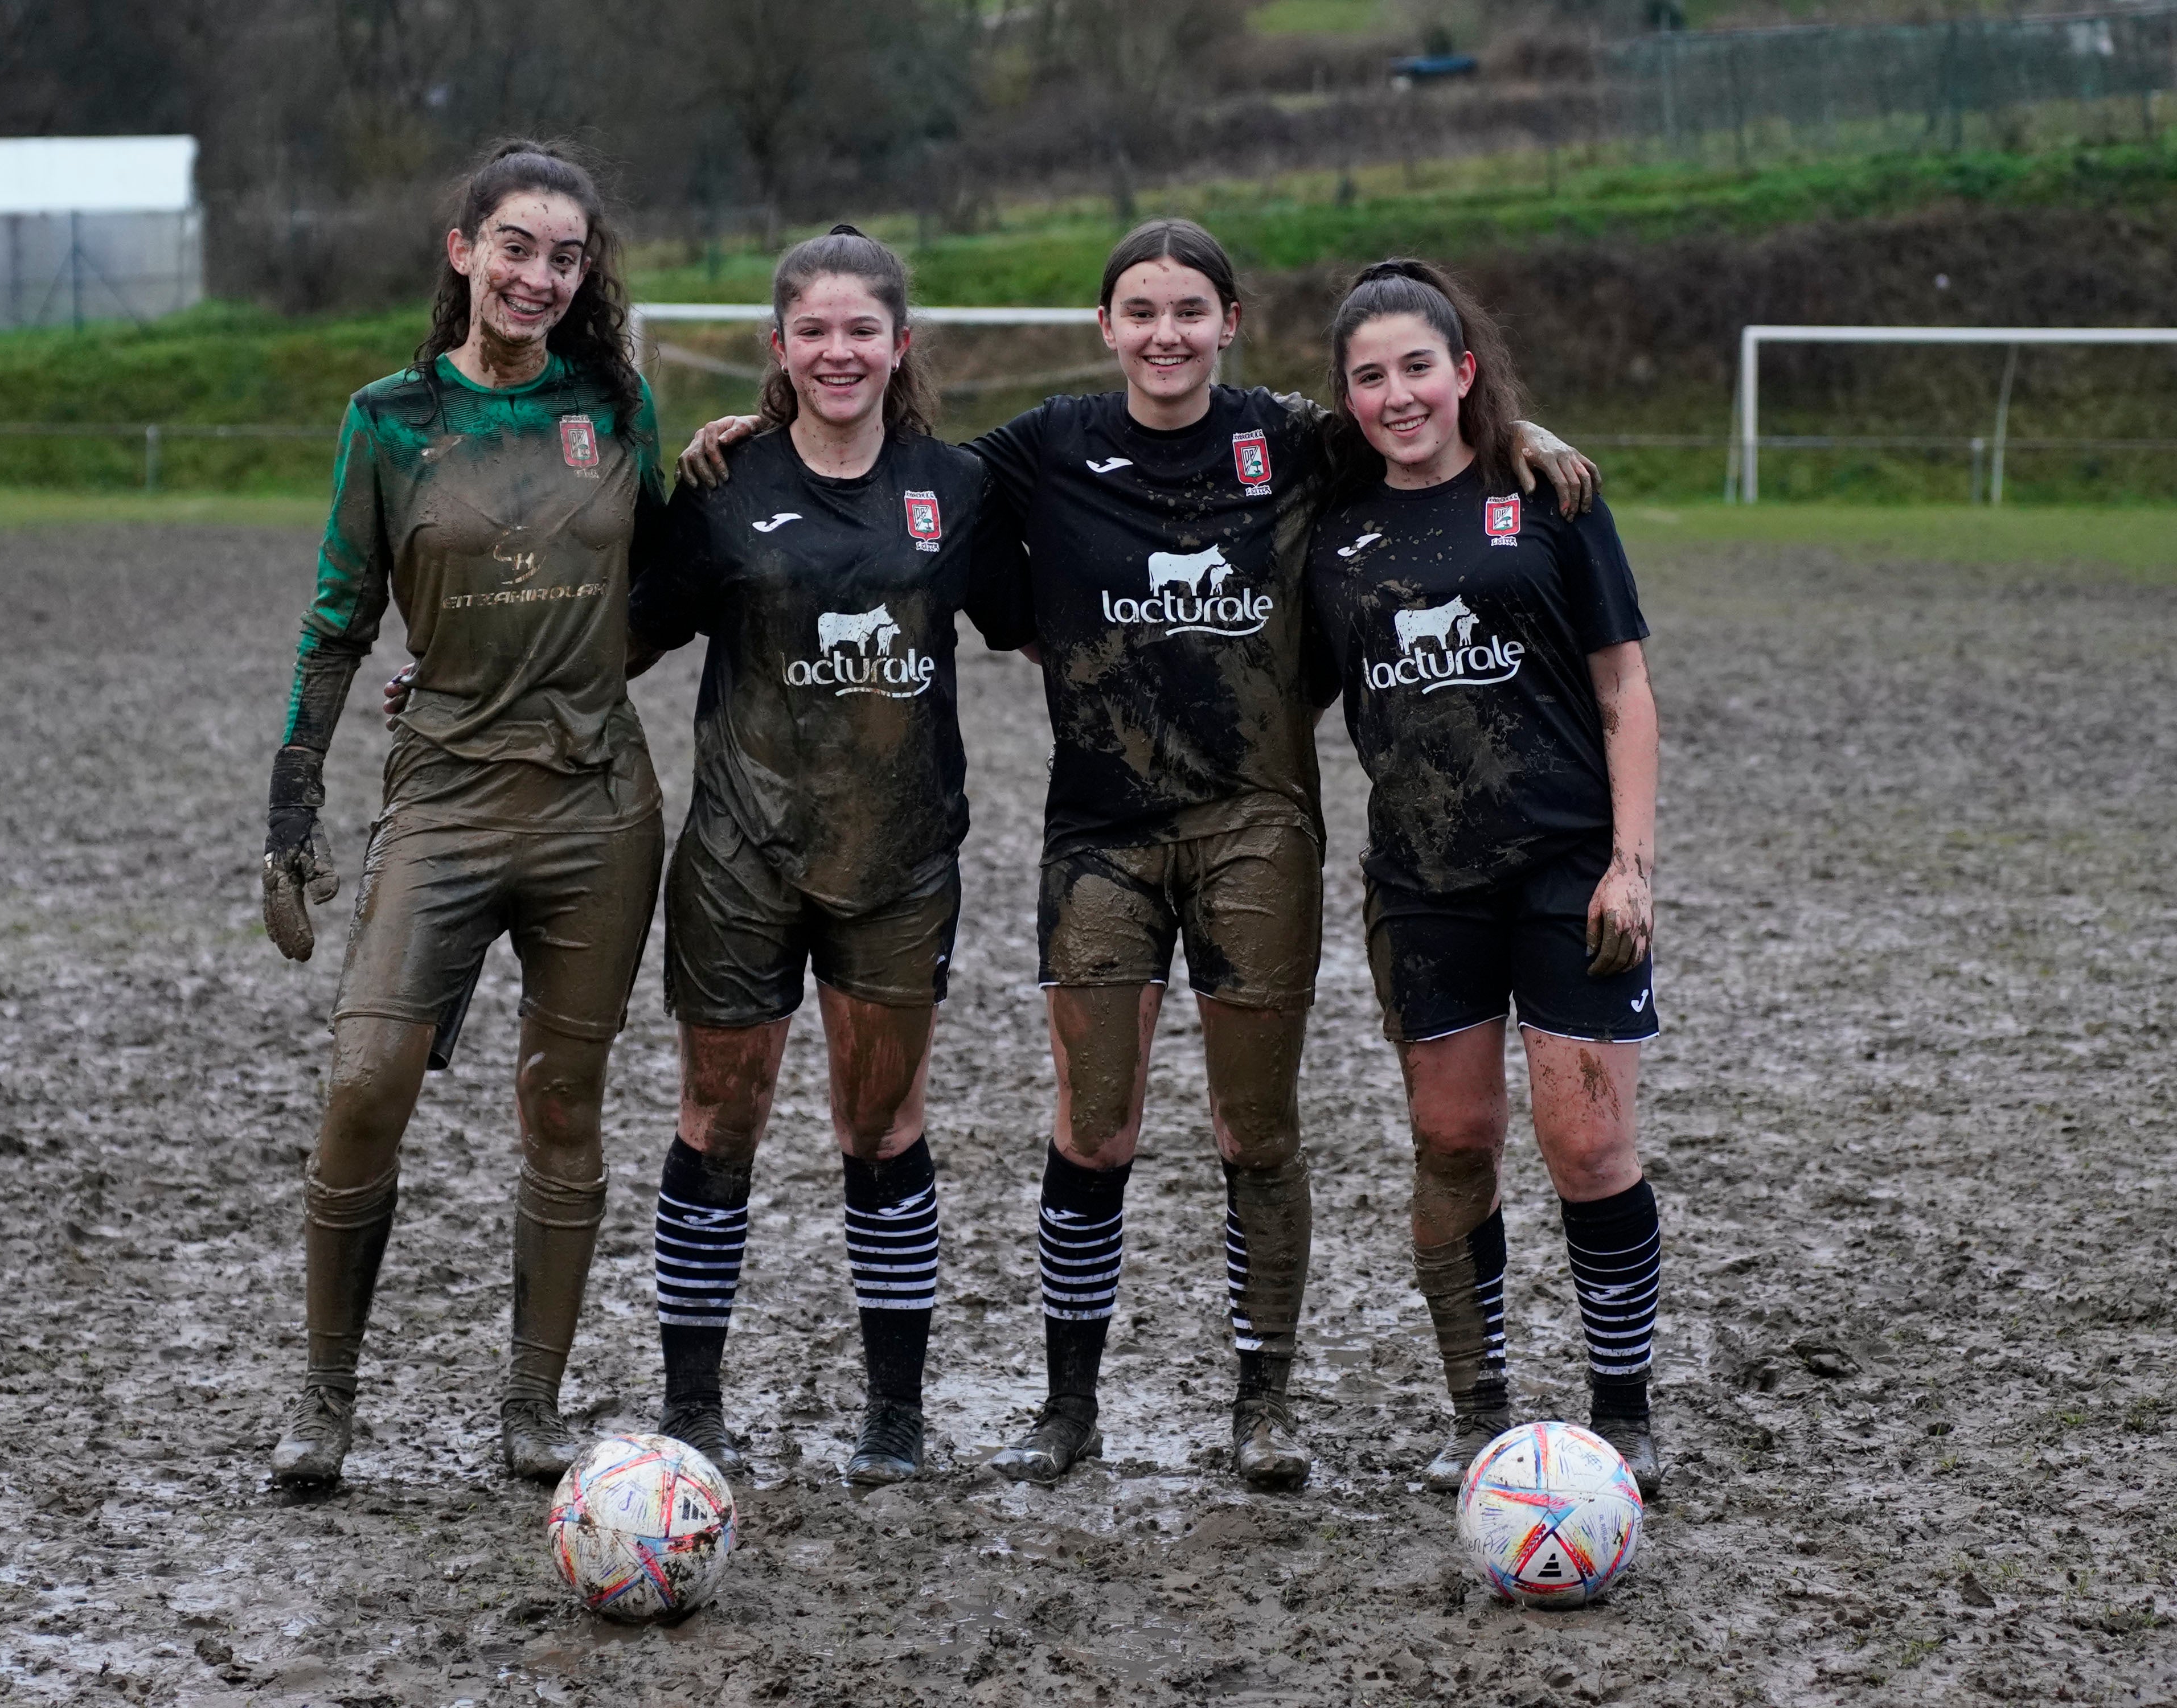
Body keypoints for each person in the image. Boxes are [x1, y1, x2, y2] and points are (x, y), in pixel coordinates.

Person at [679, 218, 1598, 1492]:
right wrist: (740, 434)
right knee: (1091, 1127)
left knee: (1253, 1128)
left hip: (1255, 828)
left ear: (1228, 324)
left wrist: (1525, 440)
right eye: (1140, 312)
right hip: (1100, 834)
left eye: (1189, 312)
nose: (1165, 334)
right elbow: (879, 462)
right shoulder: (1041, 451)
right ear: (1103, 328)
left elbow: (1428, 441)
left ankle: (1261, 1404)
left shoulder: (1295, 439)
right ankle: (1068, 1410)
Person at [259, 140, 669, 1488]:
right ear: (463, 251)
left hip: (597, 810)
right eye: (515, 247)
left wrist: (724, 470)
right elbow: (336, 624)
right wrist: (291, 809)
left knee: (562, 1102)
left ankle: (531, 1412)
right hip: (440, 799)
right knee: (367, 1082)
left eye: (565, 256)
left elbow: (656, 599)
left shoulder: (617, 407)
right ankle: (325, 1401)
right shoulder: (388, 419)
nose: (539, 277)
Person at [612, 226, 1015, 1487]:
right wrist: (459, 673)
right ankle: (692, 1410)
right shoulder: (723, 490)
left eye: (862, 331)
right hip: (742, 857)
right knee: (715, 1121)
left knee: (882, 1126)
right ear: (777, 349)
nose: (838, 352)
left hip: (898, 862)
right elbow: (616, 638)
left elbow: (1066, 616)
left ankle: (892, 1416)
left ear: (901, 346)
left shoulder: (959, 489)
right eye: (813, 331)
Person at [1300, 258, 1664, 1494]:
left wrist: (1630, 863)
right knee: (1453, 1141)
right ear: (1345, 397)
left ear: (1462, 371)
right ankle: (1480, 1415)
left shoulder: (1547, 494)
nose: (1397, 395)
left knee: (1587, 1146)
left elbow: (1624, 688)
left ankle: (1624, 1419)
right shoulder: (1331, 530)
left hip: (1568, 869)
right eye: (1369, 377)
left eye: (1418, 367)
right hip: (1421, 884)